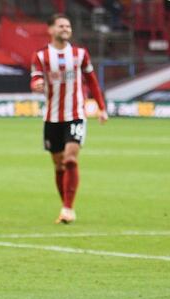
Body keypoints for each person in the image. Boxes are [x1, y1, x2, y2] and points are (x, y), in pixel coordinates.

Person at [30, 13, 107, 224]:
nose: (66, 29)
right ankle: (65, 205)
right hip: (52, 117)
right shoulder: (41, 56)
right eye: (61, 26)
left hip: (75, 115)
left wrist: (102, 107)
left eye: (68, 26)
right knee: (58, 165)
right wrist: (36, 85)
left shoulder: (80, 54)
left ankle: (68, 208)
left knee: (70, 158)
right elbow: (35, 78)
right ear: (51, 29)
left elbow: (92, 81)